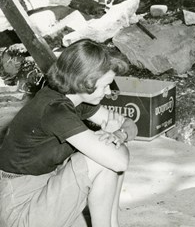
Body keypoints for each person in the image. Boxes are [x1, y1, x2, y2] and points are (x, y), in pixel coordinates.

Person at [0, 39, 138, 227]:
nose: (107, 92)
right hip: (20, 209)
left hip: (42, 189)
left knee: (107, 151)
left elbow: (129, 124)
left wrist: (119, 135)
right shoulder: (55, 110)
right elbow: (120, 161)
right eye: (105, 85)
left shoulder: (73, 99)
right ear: (85, 82)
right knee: (102, 159)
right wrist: (113, 137)